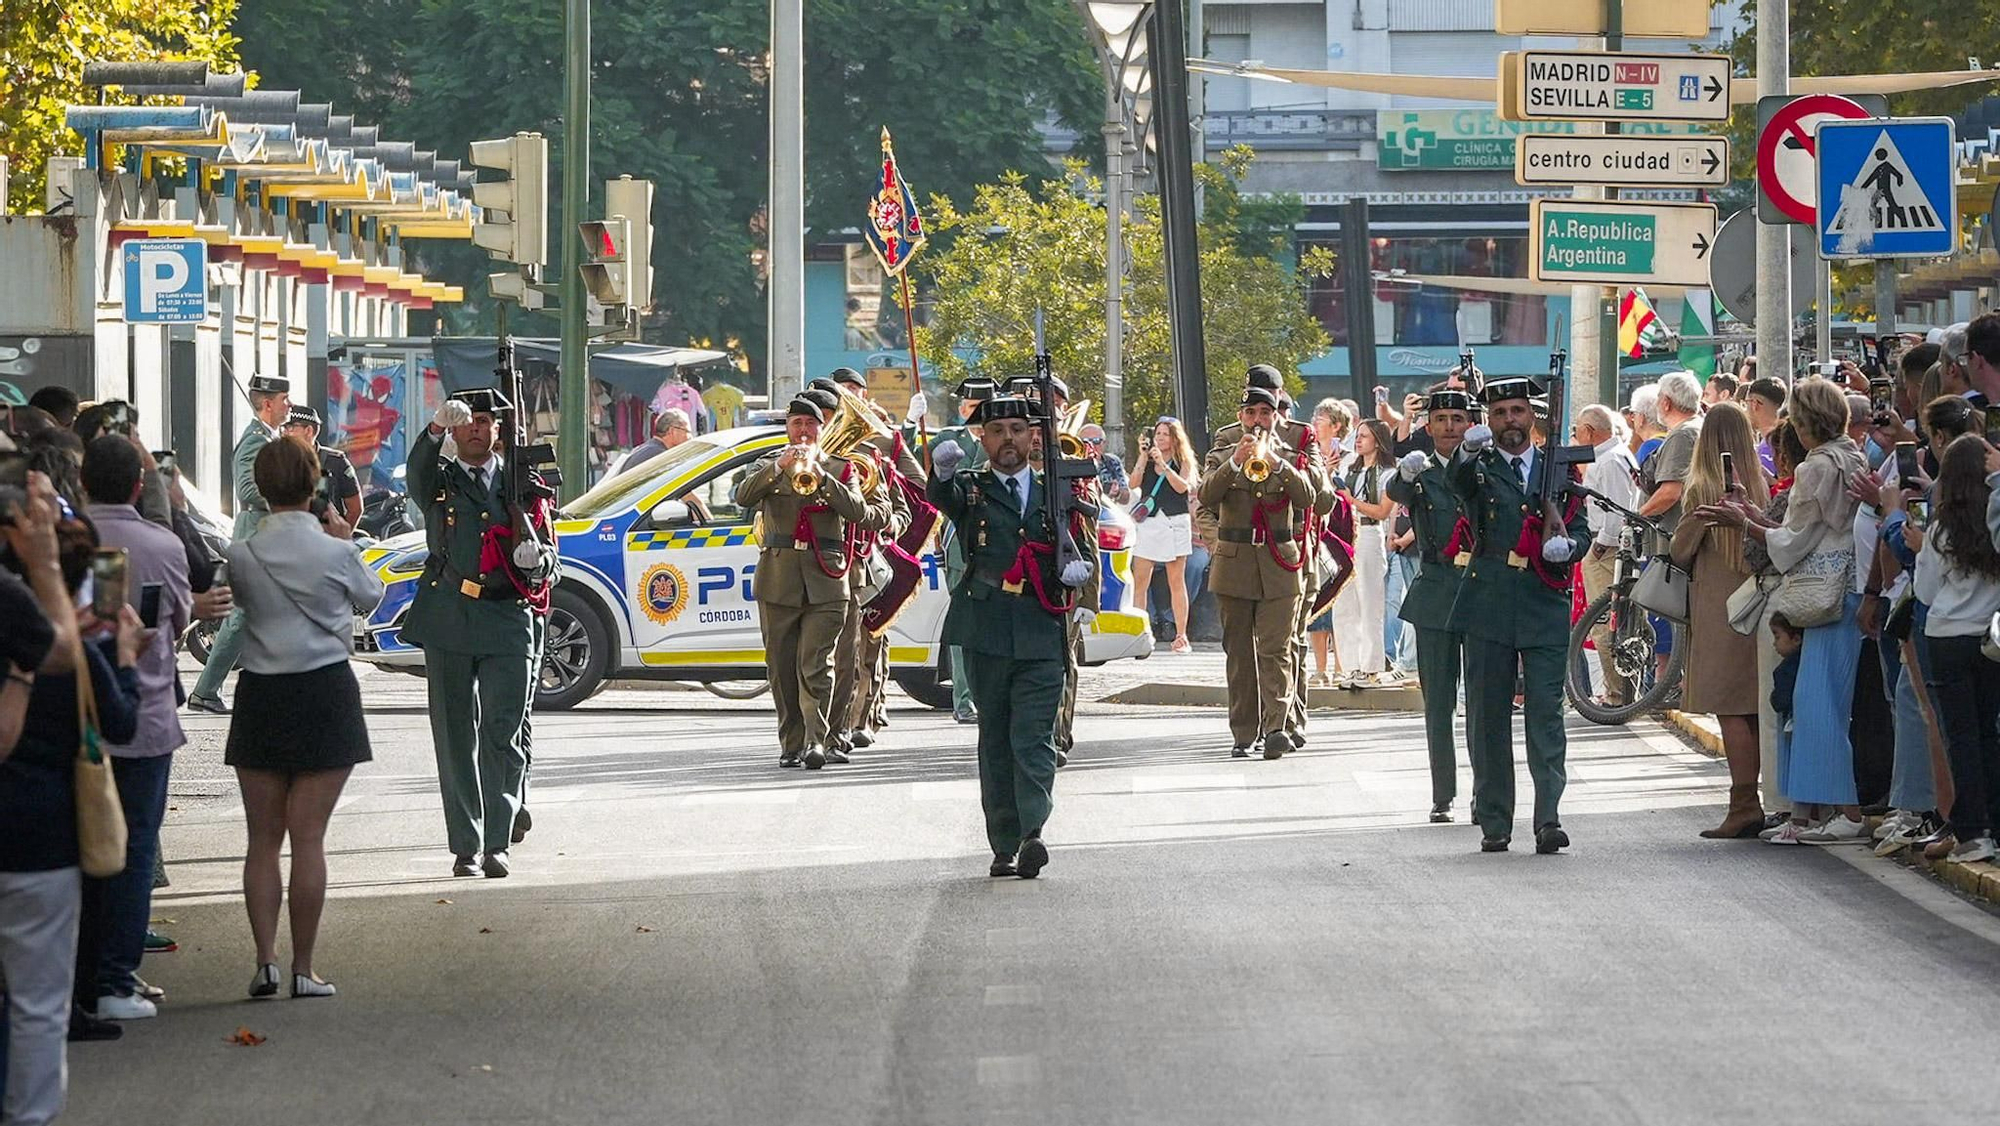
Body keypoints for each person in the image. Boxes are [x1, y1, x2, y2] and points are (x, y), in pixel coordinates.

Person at [222, 436, 382, 998]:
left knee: (261, 840)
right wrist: (348, 541)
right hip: (324, 693)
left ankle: (264, 961)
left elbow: (238, 603)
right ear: (314, 485)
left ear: (260, 489)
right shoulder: (335, 551)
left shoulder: (242, 553)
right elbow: (371, 598)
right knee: (308, 838)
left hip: (261, 694)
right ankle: (302, 968)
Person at [1696, 378, 1869, 844]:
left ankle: (1846, 813)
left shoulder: (1817, 466)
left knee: (1816, 709)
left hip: (1824, 595)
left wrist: (1745, 522)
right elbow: (1801, 530)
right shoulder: (1851, 454)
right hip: (1845, 588)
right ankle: (1815, 812)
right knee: (1816, 705)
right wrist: (1757, 516)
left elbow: (1792, 542)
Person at [927, 395, 1092, 878]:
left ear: (1032, 436)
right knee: (996, 736)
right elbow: (942, 499)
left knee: (1034, 736)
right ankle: (1003, 841)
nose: (1008, 440)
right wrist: (940, 472)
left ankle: (1032, 832)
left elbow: (1078, 537)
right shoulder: (972, 489)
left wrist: (1081, 578)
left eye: (1018, 429)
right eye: (997, 431)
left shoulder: (1054, 488)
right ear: (983, 438)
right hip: (987, 627)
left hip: (1042, 626)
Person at [401, 389, 557, 878]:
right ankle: (465, 845)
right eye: (466, 421)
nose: (475, 429)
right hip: (450, 614)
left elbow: (551, 551)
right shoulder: (439, 481)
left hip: (509, 619)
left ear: (498, 430)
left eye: (485, 421)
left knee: (503, 735)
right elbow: (415, 474)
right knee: (454, 736)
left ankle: (496, 842)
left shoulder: (524, 486)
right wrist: (432, 431)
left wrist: (540, 563)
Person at [77, 436, 193, 1020]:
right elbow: (175, 621)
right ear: (137, 487)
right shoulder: (161, 543)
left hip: (75, 719)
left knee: (78, 848)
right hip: (144, 717)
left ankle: (89, 975)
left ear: (80, 482)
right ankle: (115, 978)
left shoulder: (68, 539)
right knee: (133, 849)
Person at [1450, 377, 1591, 854]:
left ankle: (1548, 817)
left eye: (1517, 411)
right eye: (1500, 413)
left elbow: (1582, 528)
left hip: (1543, 602)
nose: (1510, 420)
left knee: (1545, 716)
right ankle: (1495, 820)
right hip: (1488, 601)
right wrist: (1467, 453)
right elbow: (1457, 486)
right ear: (1488, 421)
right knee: (1488, 717)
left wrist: (1569, 547)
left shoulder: (1558, 466)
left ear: (1532, 415)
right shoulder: (1481, 466)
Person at [734, 390, 887, 769]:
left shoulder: (840, 468)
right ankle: (791, 743)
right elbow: (743, 496)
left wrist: (822, 479)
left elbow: (860, 513)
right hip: (778, 577)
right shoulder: (769, 464)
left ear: (822, 428)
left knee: (816, 664)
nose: (803, 432)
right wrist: (778, 469)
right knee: (782, 667)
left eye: (810, 425)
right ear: (787, 428)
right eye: (796, 424)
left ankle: (817, 742)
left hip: (827, 578)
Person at [1670, 403, 1772, 839]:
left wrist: (1692, 524)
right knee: (1755, 706)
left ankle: (1743, 803)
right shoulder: (1760, 485)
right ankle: (1762, 797)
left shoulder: (1701, 488)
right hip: (1759, 602)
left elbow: (1680, 552)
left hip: (1718, 606)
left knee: (1730, 709)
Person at [1199, 386, 1316, 760]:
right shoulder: (1221, 453)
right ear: (1241, 416)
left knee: (1275, 650)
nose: (1257, 420)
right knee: (1238, 652)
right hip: (1233, 562)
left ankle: (1276, 728)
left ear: (1276, 416)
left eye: (1265, 413)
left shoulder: (1291, 454)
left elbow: (1308, 497)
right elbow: (1206, 496)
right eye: (1251, 413)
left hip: (1279, 562)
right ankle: (1243, 733)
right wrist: (1235, 462)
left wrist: (1280, 465)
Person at [1388, 387, 1479, 822]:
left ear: (1469, 425)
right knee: (1438, 701)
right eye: (1441, 420)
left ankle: (1487, 788)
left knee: (1482, 701)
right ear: (1428, 427)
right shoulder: (1419, 473)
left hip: (1481, 591)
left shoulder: (1484, 467)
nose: (1448, 427)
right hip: (1436, 590)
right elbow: (1396, 492)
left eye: (1457, 419)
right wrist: (1404, 475)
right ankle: (1443, 792)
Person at [1911, 434, 2000, 862]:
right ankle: (1994, 824)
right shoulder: (1995, 523)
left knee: (1959, 736)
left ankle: (1971, 830)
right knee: (1989, 733)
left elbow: (1925, 590)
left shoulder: (1943, 528)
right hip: (1990, 639)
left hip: (1947, 636)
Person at [188, 374, 291, 714]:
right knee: (242, 616)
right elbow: (248, 491)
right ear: (267, 404)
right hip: (254, 537)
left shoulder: (270, 437)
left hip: (267, 536)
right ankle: (205, 691)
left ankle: (214, 690)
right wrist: (288, 497)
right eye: (284, 400)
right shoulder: (255, 440)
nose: (288, 406)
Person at [934, 378, 996, 725]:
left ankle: (990, 695)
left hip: (998, 543)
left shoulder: (1000, 440)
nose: (974, 414)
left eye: (981, 408)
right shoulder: (948, 441)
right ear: (961, 410)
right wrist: (913, 426)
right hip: (960, 544)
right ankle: (963, 698)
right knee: (963, 627)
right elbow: (934, 482)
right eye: (970, 408)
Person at [1128, 416, 1198, 653]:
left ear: (1175, 438)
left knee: (1176, 581)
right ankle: (1139, 631)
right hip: (1150, 522)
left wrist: (1165, 465)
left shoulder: (1182, 460)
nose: (1160, 437)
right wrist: (1142, 456)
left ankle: (1181, 635)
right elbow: (1133, 483)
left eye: (1165, 434)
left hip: (1175, 521)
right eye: (1157, 433)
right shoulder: (1147, 460)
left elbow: (1182, 487)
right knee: (1140, 580)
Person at [1333, 420, 1395, 685]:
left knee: (1370, 602)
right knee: (1344, 604)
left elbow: (1381, 511)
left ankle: (1370, 667)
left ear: (1377, 441)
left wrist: (1352, 501)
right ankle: (1350, 666)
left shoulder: (1389, 472)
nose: (1358, 441)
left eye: (1364, 437)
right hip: (1344, 535)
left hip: (1369, 533)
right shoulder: (1348, 467)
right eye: (1357, 436)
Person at [1638, 371, 1703, 537]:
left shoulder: (1682, 435)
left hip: (1673, 535)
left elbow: (1671, 492)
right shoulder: (1696, 427)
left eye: (1659, 398)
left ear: (1666, 403)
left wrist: (1636, 517)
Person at [282, 405, 363, 529]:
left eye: (291, 428)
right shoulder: (281, 461)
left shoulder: (335, 461)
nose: (285, 433)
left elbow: (355, 508)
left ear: (308, 431)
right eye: (284, 428)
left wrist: (339, 539)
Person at [609, 408, 692, 477]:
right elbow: (677, 487)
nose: (690, 437)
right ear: (672, 431)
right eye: (687, 431)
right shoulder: (659, 455)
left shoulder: (649, 448)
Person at [1742, 377, 1788, 476]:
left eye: (1746, 403)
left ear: (1755, 404)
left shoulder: (1767, 449)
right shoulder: (1788, 440)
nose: (1745, 410)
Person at [1079, 423, 1130, 505]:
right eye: (1086, 442)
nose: (1091, 446)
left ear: (1104, 443)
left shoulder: (1113, 461)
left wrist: (1117, 492)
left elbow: (1125, 498)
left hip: (1106, 511)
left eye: (1096, 441)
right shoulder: (1073, 463)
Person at [1625, 384, 1665, 464]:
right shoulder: (1673, 440)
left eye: (1634, 414)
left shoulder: (1649, 447)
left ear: (1641, 418)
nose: (1632, 418)